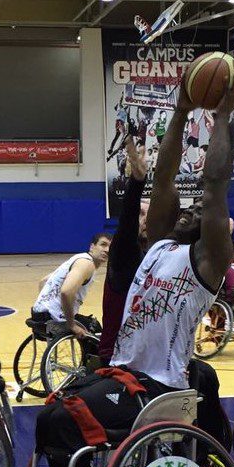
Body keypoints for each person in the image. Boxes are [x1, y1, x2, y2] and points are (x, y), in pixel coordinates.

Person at [33, 69, 234, 467]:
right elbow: (164, 176)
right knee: (48, 417)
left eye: (198, 211)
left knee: (62, 421)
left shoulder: (207, 262)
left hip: (159, 388)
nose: (190, 210)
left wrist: (222, 115)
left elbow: (214, 186)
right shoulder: (160, 245)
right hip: (124, 373)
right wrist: (181, 110)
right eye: (186, 207)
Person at [99, 137, 151, 364]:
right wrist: (137, 183)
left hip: (143, 358)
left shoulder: (153, 255)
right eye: (141, 213)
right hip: (116, 359)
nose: (145, 219)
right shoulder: (123, 252)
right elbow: (128, 221)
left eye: (149, 214)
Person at [31, 233, 112, 339]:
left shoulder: (78, 258)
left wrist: (46, 303)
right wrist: (71, 325)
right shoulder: (86, 264)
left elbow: (43, 281)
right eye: (103, 244)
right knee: (95, 328)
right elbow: (66, 292)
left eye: (111, 247)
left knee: (84, 323)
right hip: (53, 320)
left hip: (38, 315)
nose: (107, 250)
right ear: (92, 247)